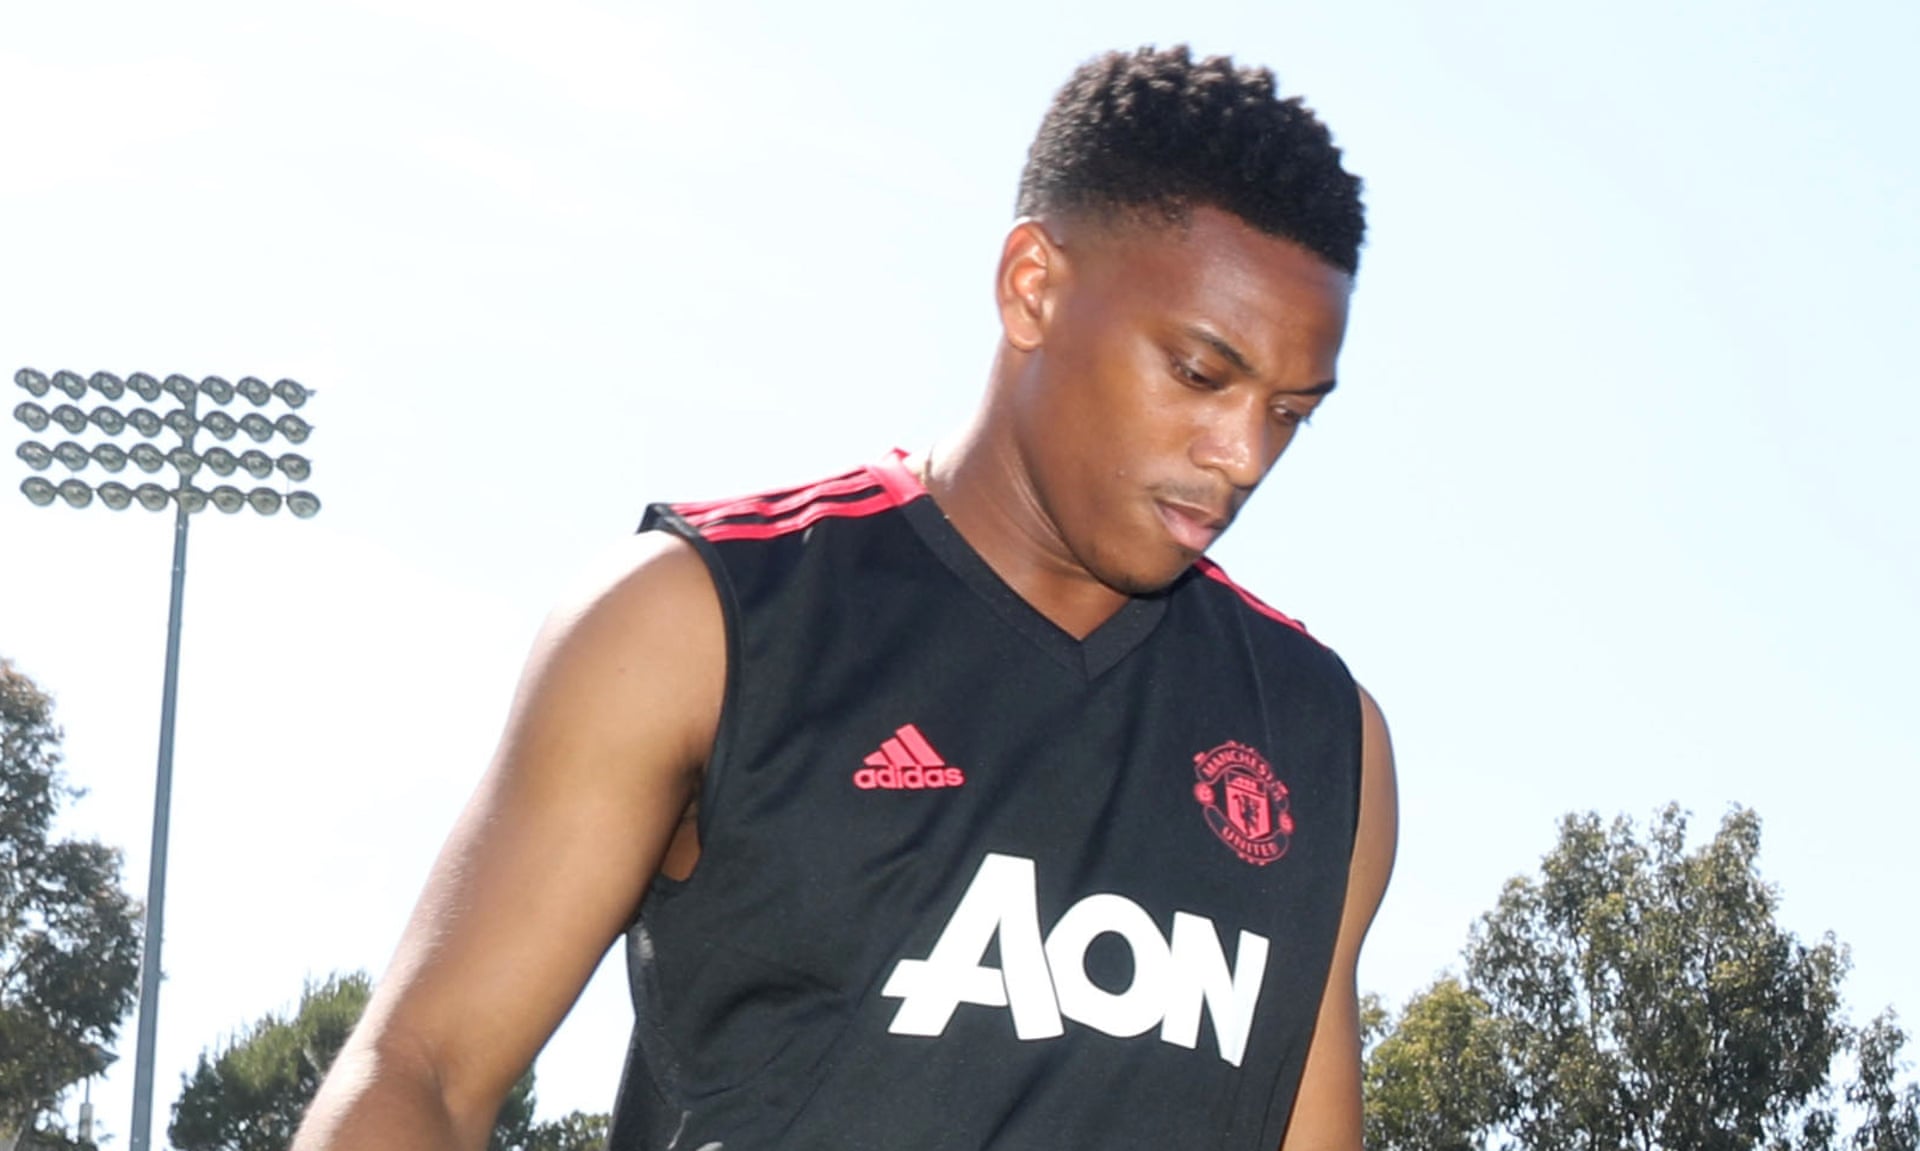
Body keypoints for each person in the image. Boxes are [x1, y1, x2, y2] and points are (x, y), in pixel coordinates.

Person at [295, 44, 1396, 1151]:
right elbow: (423, 1073)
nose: (1243, 454)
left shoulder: (1322, 741)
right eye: (1201, 375)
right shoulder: (698, 620)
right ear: (1033, 287)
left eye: (1290, 412)